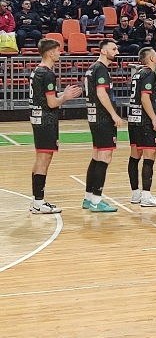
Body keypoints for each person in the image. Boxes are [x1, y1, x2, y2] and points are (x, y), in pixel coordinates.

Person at [28, 39, 83, 214]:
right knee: (44, 159)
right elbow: (52, 103)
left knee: (40, 159)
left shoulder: (36, 71)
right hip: (46, 120)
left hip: (37, 117)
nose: (60, 53)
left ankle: (36, 201)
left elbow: (44, 97)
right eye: (58, 51)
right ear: (50, 53)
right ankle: (39, 202)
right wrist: (65, 97)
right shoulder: (48, 74)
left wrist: (62, 94)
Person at [82, 39, 123, 212]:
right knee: (105, 157)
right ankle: (96, 201)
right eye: (114, 49)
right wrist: (113, 114)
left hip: (94, 117)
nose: (117, 52)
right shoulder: (100, 69)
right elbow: (101, 93)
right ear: (104, 51)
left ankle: (88, 198)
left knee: (97, 156)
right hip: (102, 118)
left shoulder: (92, 68)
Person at [127, 48, 156, 207]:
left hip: (133, 119)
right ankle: (146, 196)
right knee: (149, 157)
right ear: (151, 58)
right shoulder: (149, 73)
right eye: (155, 55)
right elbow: (145, 98)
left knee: (134, 156)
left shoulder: (137, 73)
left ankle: (136, 194)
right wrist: (154, 119)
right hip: (144, 120)